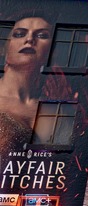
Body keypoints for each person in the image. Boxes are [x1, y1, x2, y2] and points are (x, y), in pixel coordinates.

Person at [0, 15, 53, 150]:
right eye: (19, 34)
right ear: (4, 49)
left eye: (42, 35)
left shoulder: (57, 108)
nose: (29, 39)